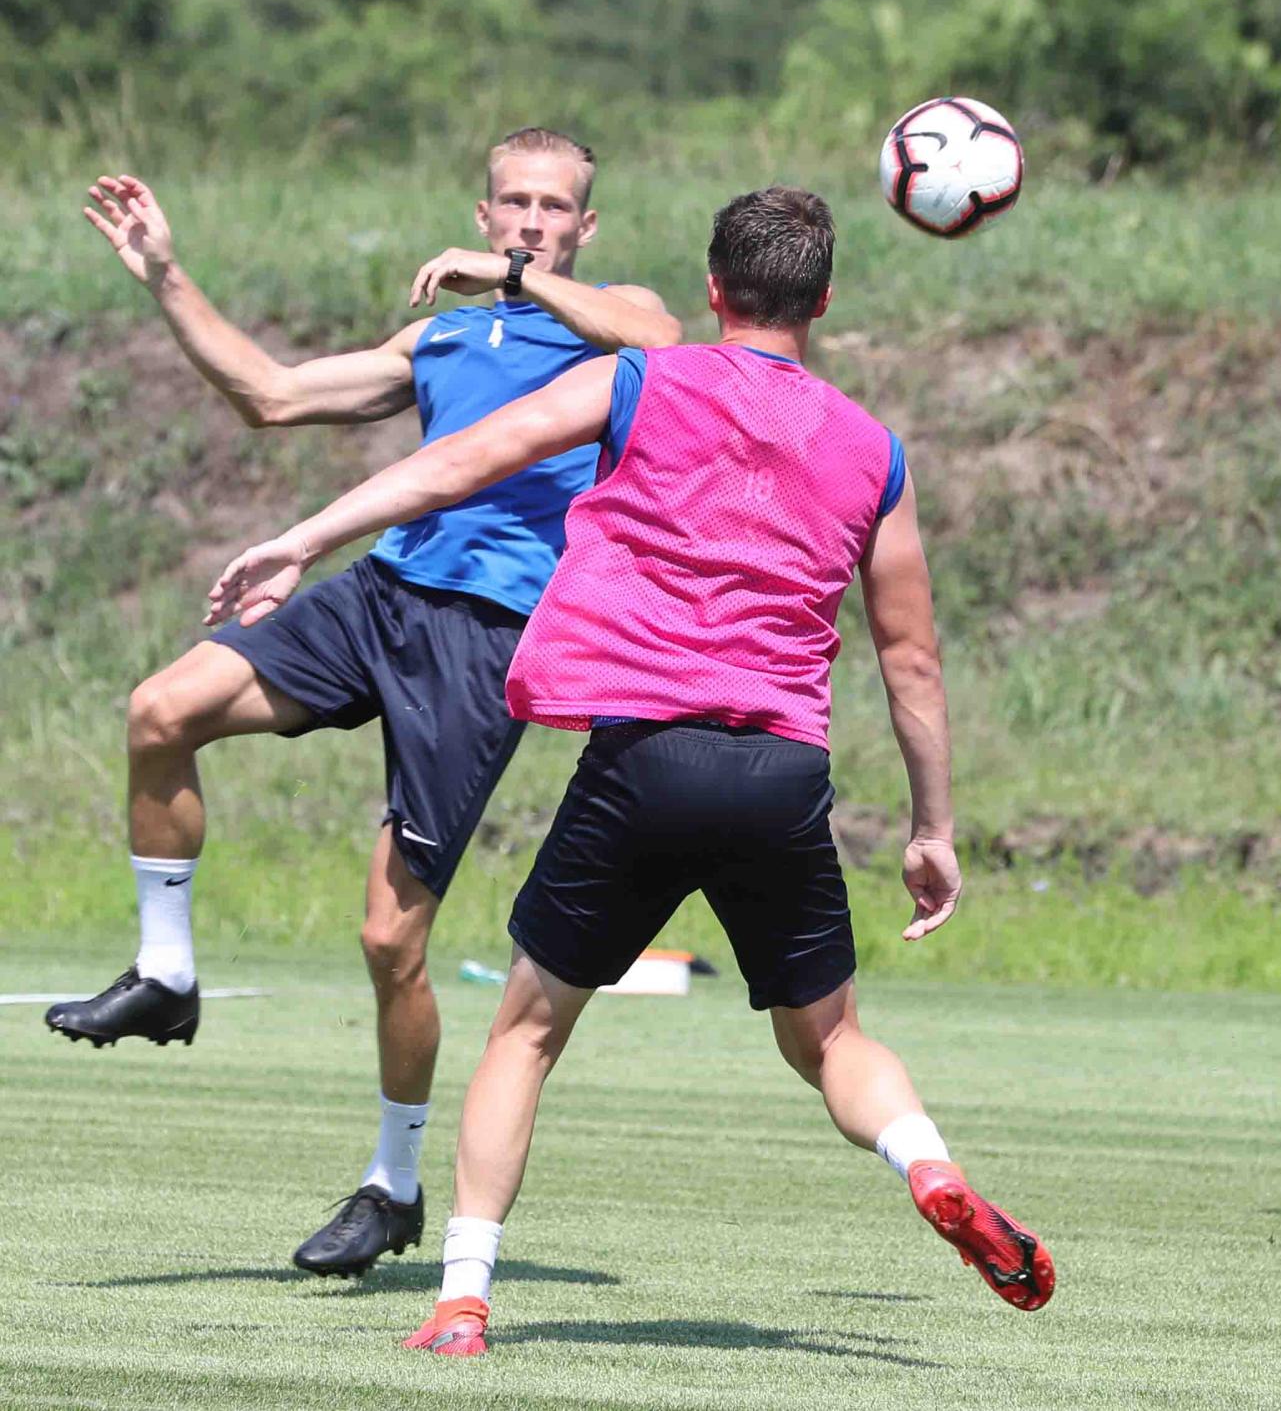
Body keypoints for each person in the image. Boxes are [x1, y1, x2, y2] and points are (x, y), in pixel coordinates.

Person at [204, 185, 1055, 1353]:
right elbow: (912, 657)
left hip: (644, 758)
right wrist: (932, 828)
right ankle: (929, 1166)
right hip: (779, 771)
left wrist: (302, 538)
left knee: (526, 1030)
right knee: (830, 1039)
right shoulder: (874, 450)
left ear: (713, 288)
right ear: (823, 301)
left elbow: (461, 463)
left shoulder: (639, 380)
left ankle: (462, 1296)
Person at [44, 128, 683, 1278]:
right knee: (160, 710)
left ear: (585, 227)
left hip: (485, 640)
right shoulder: (442, 335)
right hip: (379, 594)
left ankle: (393, 1183)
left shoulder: (616, 324)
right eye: (514, 203)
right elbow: (271, 393)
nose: (532, 220)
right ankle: (167, 973)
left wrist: (521, 278)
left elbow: (667, 342)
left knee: (391, 938)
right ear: (483, 211)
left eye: (554, 207)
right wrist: (164, 274)